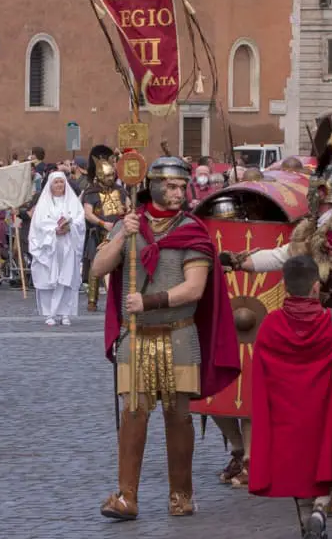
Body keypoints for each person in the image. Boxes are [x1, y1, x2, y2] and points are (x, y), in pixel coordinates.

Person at [225, 165, 332, 500]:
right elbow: (284, 256)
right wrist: (240, 261)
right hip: (322, 319)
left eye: (317, 193)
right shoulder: (311, 230)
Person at [92, 156, 240, 521]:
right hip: (136, 337)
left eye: (181, 187)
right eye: (171, 187)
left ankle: (181, 495)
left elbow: (194, 289)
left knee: (178, 417)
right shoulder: (129, 225)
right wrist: (122, 236)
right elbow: (97, 269)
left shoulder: (192, 230)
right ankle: (126, 496)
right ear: (154, 186)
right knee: (134, 414)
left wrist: (149, 300)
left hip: (178, 335)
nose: (178, 193)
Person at [249, 255, 332, 539]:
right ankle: (320, 510)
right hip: (326, 414)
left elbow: (259, 371)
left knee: (298, 475)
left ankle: (307, 525)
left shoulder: (271, 324)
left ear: (286, 287)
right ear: (316, 287)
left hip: (286, 416)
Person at [29, 172, 86, 326]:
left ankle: (65, 313)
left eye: (62, 182)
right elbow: (39, 224)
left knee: (66, 279)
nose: (59, 185)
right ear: (51, 185)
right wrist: (54, 230)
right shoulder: (43, 204)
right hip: (50, 246)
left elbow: (80, 220)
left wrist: (70, 227)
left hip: (68, 245)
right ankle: (49, 314)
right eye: (56, 182)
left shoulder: (73, 202)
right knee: (49, 279)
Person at [82, 146, 128, 312]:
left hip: (118, 232)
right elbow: (87, 213)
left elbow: (128, 206)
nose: (110, 178)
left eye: (112, 175)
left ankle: (116, 298)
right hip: (99, 233)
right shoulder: (91, 192)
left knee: (119, 265)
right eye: (107, 175)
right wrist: (102, 223)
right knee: (96, 265)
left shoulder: (120, 190)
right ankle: (92, 301)